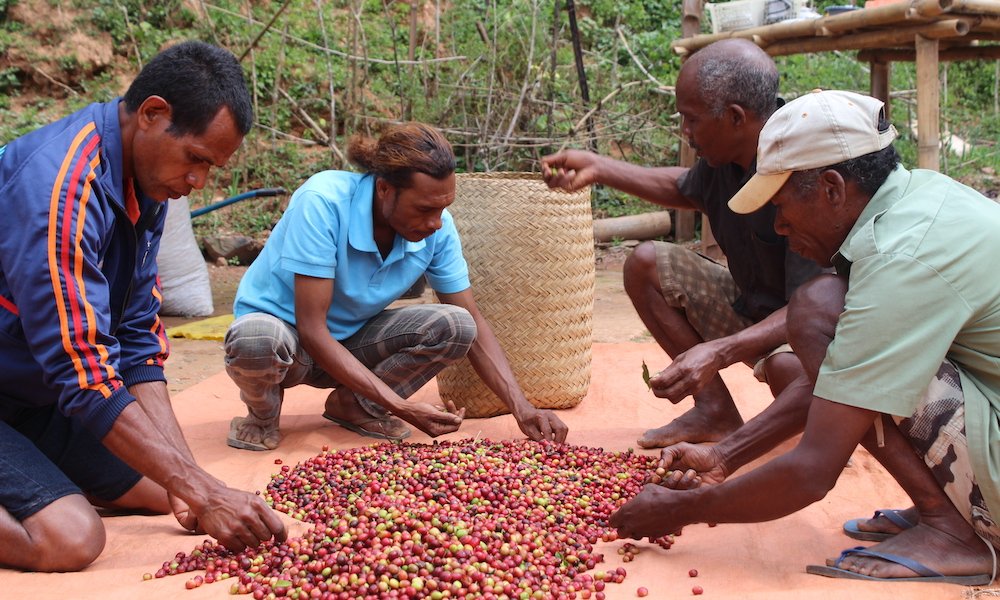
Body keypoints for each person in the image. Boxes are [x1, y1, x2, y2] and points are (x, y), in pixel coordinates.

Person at [609, 89, 1000, 584]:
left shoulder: (901, 256)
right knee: (828, 314)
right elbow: (842, 383)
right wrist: (723, 456)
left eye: (783, 204)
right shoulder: (916, 197)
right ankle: (943, 510)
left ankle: (951, 530)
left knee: (819, 309)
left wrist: (678, 510)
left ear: (832, 188)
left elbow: (813, 471)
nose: (778, 224)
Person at [0, 41, 287, 572]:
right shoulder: (60, 191)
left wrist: (192, 480)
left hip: (28, 397)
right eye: (196, 159)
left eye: (212, 168)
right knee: (69, 538)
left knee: (168, 490)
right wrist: (200, 490)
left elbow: (134, 340)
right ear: (153, 114)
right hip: (36, 385)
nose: (199, 182)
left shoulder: (146, 188)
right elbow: (82, 372)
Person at [541, 39, 822, 449]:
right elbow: (682, 187)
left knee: (786, 369)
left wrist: (720, 351)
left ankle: (827, 430)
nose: (685, 132)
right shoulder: (724, 158)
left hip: (814, 330)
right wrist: (600, 167)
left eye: (691, 120)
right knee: (646, 264)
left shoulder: (805, 169)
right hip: (753, 308)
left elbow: (812, 308)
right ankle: (714, 412)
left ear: (735, 117)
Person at [224, 122, 569, 451]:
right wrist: (400, 406)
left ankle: (354, 406)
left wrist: (522, 407)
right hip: (288, 341)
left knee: (456, 325)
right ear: (384, 188)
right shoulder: (323, 202)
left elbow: (473, 320)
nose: (435, 222)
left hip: (351, 340)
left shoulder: (438, 227)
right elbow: (313, 331)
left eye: (443, 208)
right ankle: (261, 417)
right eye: (424, 209)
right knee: (256, 339)